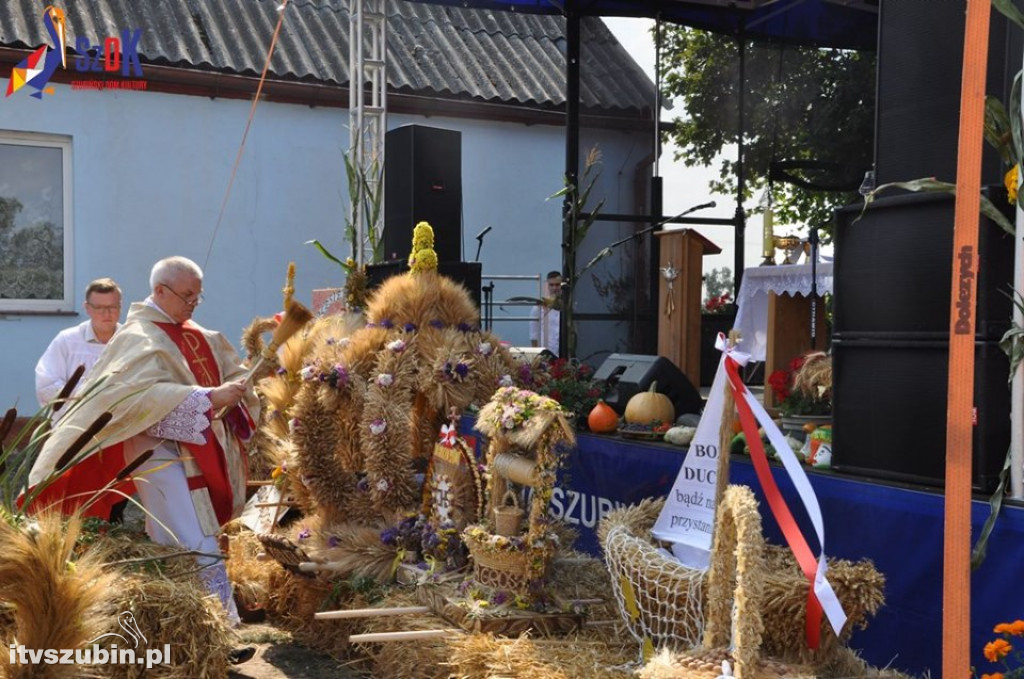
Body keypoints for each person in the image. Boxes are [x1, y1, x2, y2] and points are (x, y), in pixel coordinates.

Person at [27, 256, 259, 636]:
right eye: (187, 295)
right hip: (156, 450)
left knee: (176, 533)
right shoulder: (138, 336)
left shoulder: (197, 332)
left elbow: (224, 370)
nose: (192, 304)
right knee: (193, 534)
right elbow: (134, 399)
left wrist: (237, 388)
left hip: (194, 450)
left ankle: (190, 625)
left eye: (197, 297)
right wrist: (208, 397)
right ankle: (219, 626)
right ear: (159, 291)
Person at [35, 277, 123, 409]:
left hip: (121, 424)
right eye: (99, 307)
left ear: (120, 307)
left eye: (112, 307)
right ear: (87, 308)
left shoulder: (131, 341)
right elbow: (46, 385)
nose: (106, 313)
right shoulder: (67, 341)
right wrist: (85, 396)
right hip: (73, 424)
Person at [529, 270, 562, 356]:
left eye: (557, 285)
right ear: (547, 285)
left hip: (563, 352)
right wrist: (535, 356)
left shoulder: (567, 306)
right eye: (551, 285)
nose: (554, 288)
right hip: (545, 353)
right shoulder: (538, 307)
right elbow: (534, 335)